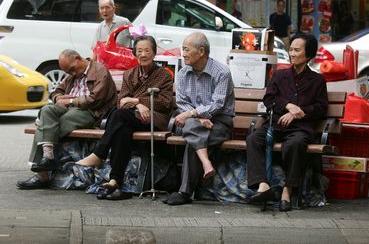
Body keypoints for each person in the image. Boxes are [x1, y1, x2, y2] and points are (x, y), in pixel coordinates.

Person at [75, 35, 174, 200]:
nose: (143, 54)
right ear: (135, 53)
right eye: (139, 51)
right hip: (133, 116)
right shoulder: (130, 73)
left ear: (154, 53)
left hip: (154, 118)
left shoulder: (163, 75)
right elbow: (122, 102)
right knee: (122, 130)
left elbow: (165, 103)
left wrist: (137, 101)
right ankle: (115, 181)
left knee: (118, 115)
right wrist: (138, 105)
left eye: (147, 50)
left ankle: (99, 153)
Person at [246, 34, 328, 212]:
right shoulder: (279, 75)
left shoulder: (317, 81)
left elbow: (321, 108)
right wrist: (289, 106)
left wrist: (299, 113)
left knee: (295, 144)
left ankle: (287, 191)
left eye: (297, 50)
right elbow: (269, 99)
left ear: (309, 54)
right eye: (291, 49)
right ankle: (263, 186)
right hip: (275, 125)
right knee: (254, 139)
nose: (292, 53)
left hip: (300, 129)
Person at [17, 49, 118, 189]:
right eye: (68, 72)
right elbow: (56, 92)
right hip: (69, 108)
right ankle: (48, 157)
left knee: (45, 126)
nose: (71, 74)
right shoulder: (72, 73)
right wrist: (59, 98)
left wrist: (71, 101)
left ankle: (42, 176)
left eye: (72, 70)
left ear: (78, 58)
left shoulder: (100, 71)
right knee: (46, 111)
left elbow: (95, 99)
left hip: (90, 112)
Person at [163, 32, 235, 206]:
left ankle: (184, 192)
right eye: (183, 49)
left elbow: (217, 104)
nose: (183, 53)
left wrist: (194, 114)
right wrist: (198, 117)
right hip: (193, 122)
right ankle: (205, 164)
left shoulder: (222, 72)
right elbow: (181, 103)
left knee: (192, 139)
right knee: (193, 129)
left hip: (219, 121)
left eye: (187, 49)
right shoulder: (182, 73)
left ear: (201, 51)